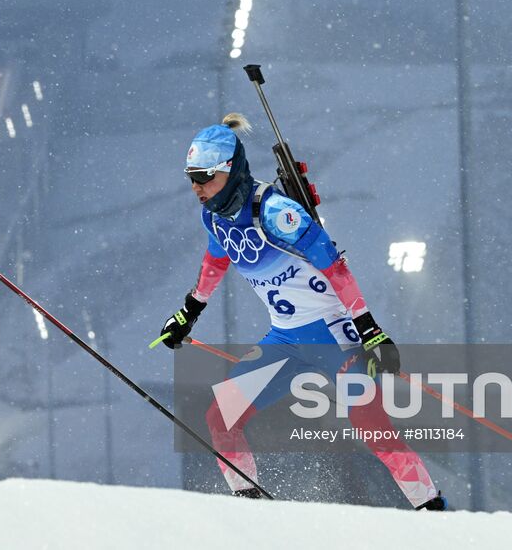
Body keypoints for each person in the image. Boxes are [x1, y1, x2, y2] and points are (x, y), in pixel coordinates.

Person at [155, 114, 445, 509]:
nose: (197, 187)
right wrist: (189, 313)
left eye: (205, 177)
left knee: (372, 428)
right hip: (284, 339)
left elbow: (334, 266)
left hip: (334, 335)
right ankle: (250, 505)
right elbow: (215, 261)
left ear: (230, 170)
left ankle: (433, 512)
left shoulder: (274, 211)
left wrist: (370, 329)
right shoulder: (215, 216)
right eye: (191, 177)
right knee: (219, 418)